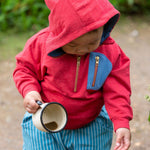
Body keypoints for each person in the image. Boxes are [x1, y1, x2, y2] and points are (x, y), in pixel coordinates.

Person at [13, 0, 133, 149]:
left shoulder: (110, 52)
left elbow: (118, 89)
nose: (81, 50)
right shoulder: (41, 44)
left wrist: (122, 121)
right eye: (73, 45)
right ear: (59, 33)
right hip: (43, 122)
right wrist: (30, 91)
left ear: (104, 28)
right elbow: (25, 69)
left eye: (91, 44)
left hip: (91, 126)